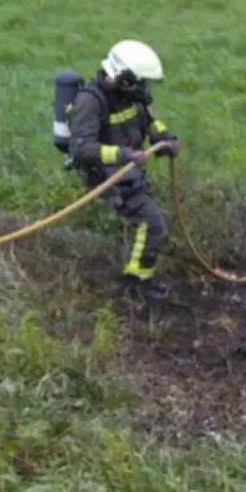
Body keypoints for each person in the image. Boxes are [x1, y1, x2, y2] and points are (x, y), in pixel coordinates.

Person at [67, 39, 180, 300]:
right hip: (105, 176)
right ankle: (136, 284)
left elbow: (151, 123)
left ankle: (136, 274)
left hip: (127, 171)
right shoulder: (90, 102)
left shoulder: (132, 97)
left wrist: (166, 138)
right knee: (151, 224)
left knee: (146, 220)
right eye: (142, 82)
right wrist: (124, 155)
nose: (146, 88)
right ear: (125, 78)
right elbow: (82, 149)